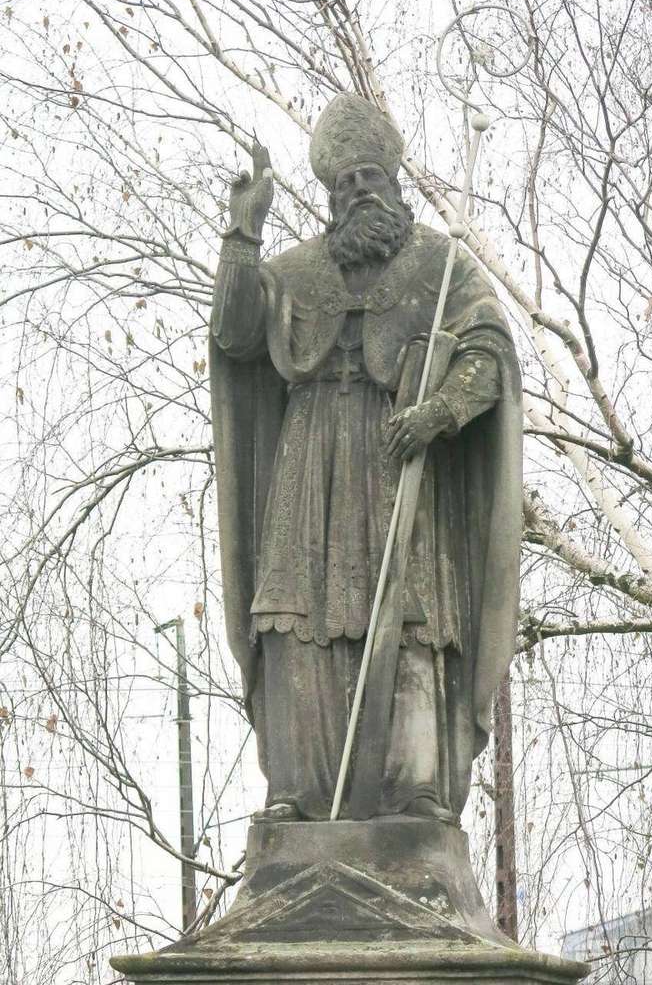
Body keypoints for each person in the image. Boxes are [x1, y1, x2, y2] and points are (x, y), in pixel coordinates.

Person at [209, 94, 522, 824]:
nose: (356, 191)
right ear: (329, 196)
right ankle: (297, 790)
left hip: (399, 458)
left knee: (411, 613)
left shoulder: (439, 265)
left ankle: (414, 787)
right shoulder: (296, 270)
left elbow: (489, 350)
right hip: (307, 465)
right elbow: (235, 334)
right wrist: (242, 234)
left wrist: (441, 411)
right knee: (293, 614)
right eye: (342, 182)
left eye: (368, 177)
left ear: (393, 181)